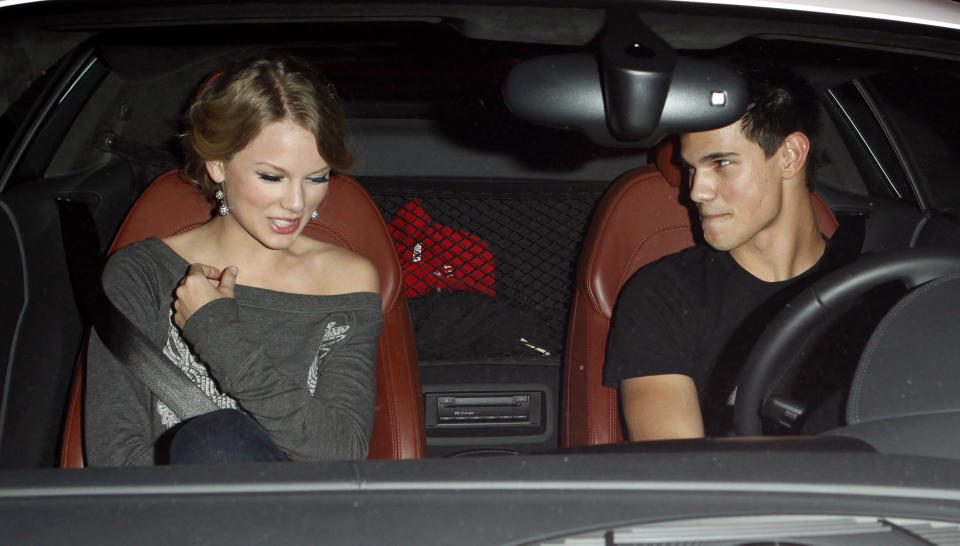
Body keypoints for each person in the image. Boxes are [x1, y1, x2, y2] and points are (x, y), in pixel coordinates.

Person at [85, 51, 382, 466]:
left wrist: (218, 333)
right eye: (271, 176)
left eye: (317, 178)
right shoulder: (143, 274)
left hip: (305, 522)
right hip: (178, 521)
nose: (296, 203)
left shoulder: (348, 279)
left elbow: (342, 452)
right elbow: (114, 458)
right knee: (215, 445)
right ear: (218, 165)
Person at [603, 66, 857, 441]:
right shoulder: (664, 294)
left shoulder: (875, 289)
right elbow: (679, 471)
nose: (696, 191)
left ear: (789, 156)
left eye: (721, 163)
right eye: (691, 169)